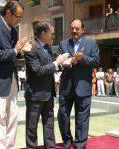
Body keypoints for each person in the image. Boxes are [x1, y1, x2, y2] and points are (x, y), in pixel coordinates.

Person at [0, 1, 33, 149]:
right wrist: (15, 51)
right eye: (18, 17)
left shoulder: (14, 30)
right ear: (8, 13)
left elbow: (12, 55)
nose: (20, 20)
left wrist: (23, 50)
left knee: (12, 119)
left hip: (12, 81)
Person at [24, 21, 69, 149]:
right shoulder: (32, 47)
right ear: (43, 33)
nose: (53, 36)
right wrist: (56, 63)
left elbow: (52, 65)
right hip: (35, 94)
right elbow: (38, 70)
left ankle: (50, 147)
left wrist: (64, 62)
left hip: (48, 93)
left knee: (49, 124)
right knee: (32, 126)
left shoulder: (47, 47)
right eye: (51, 34)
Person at [57, 19, 100, 149]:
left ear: (83, 29)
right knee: (63, 115)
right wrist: (63, 62)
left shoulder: (92, 43)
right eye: (72, 28)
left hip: (83, 87)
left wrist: (82, 59)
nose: (74, 31)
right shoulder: (63, 43)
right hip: (66, 86)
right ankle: (67, 141)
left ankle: (80, 144)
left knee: (82, 118)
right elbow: (58, 60)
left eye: (77, 28)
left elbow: (96, 61)